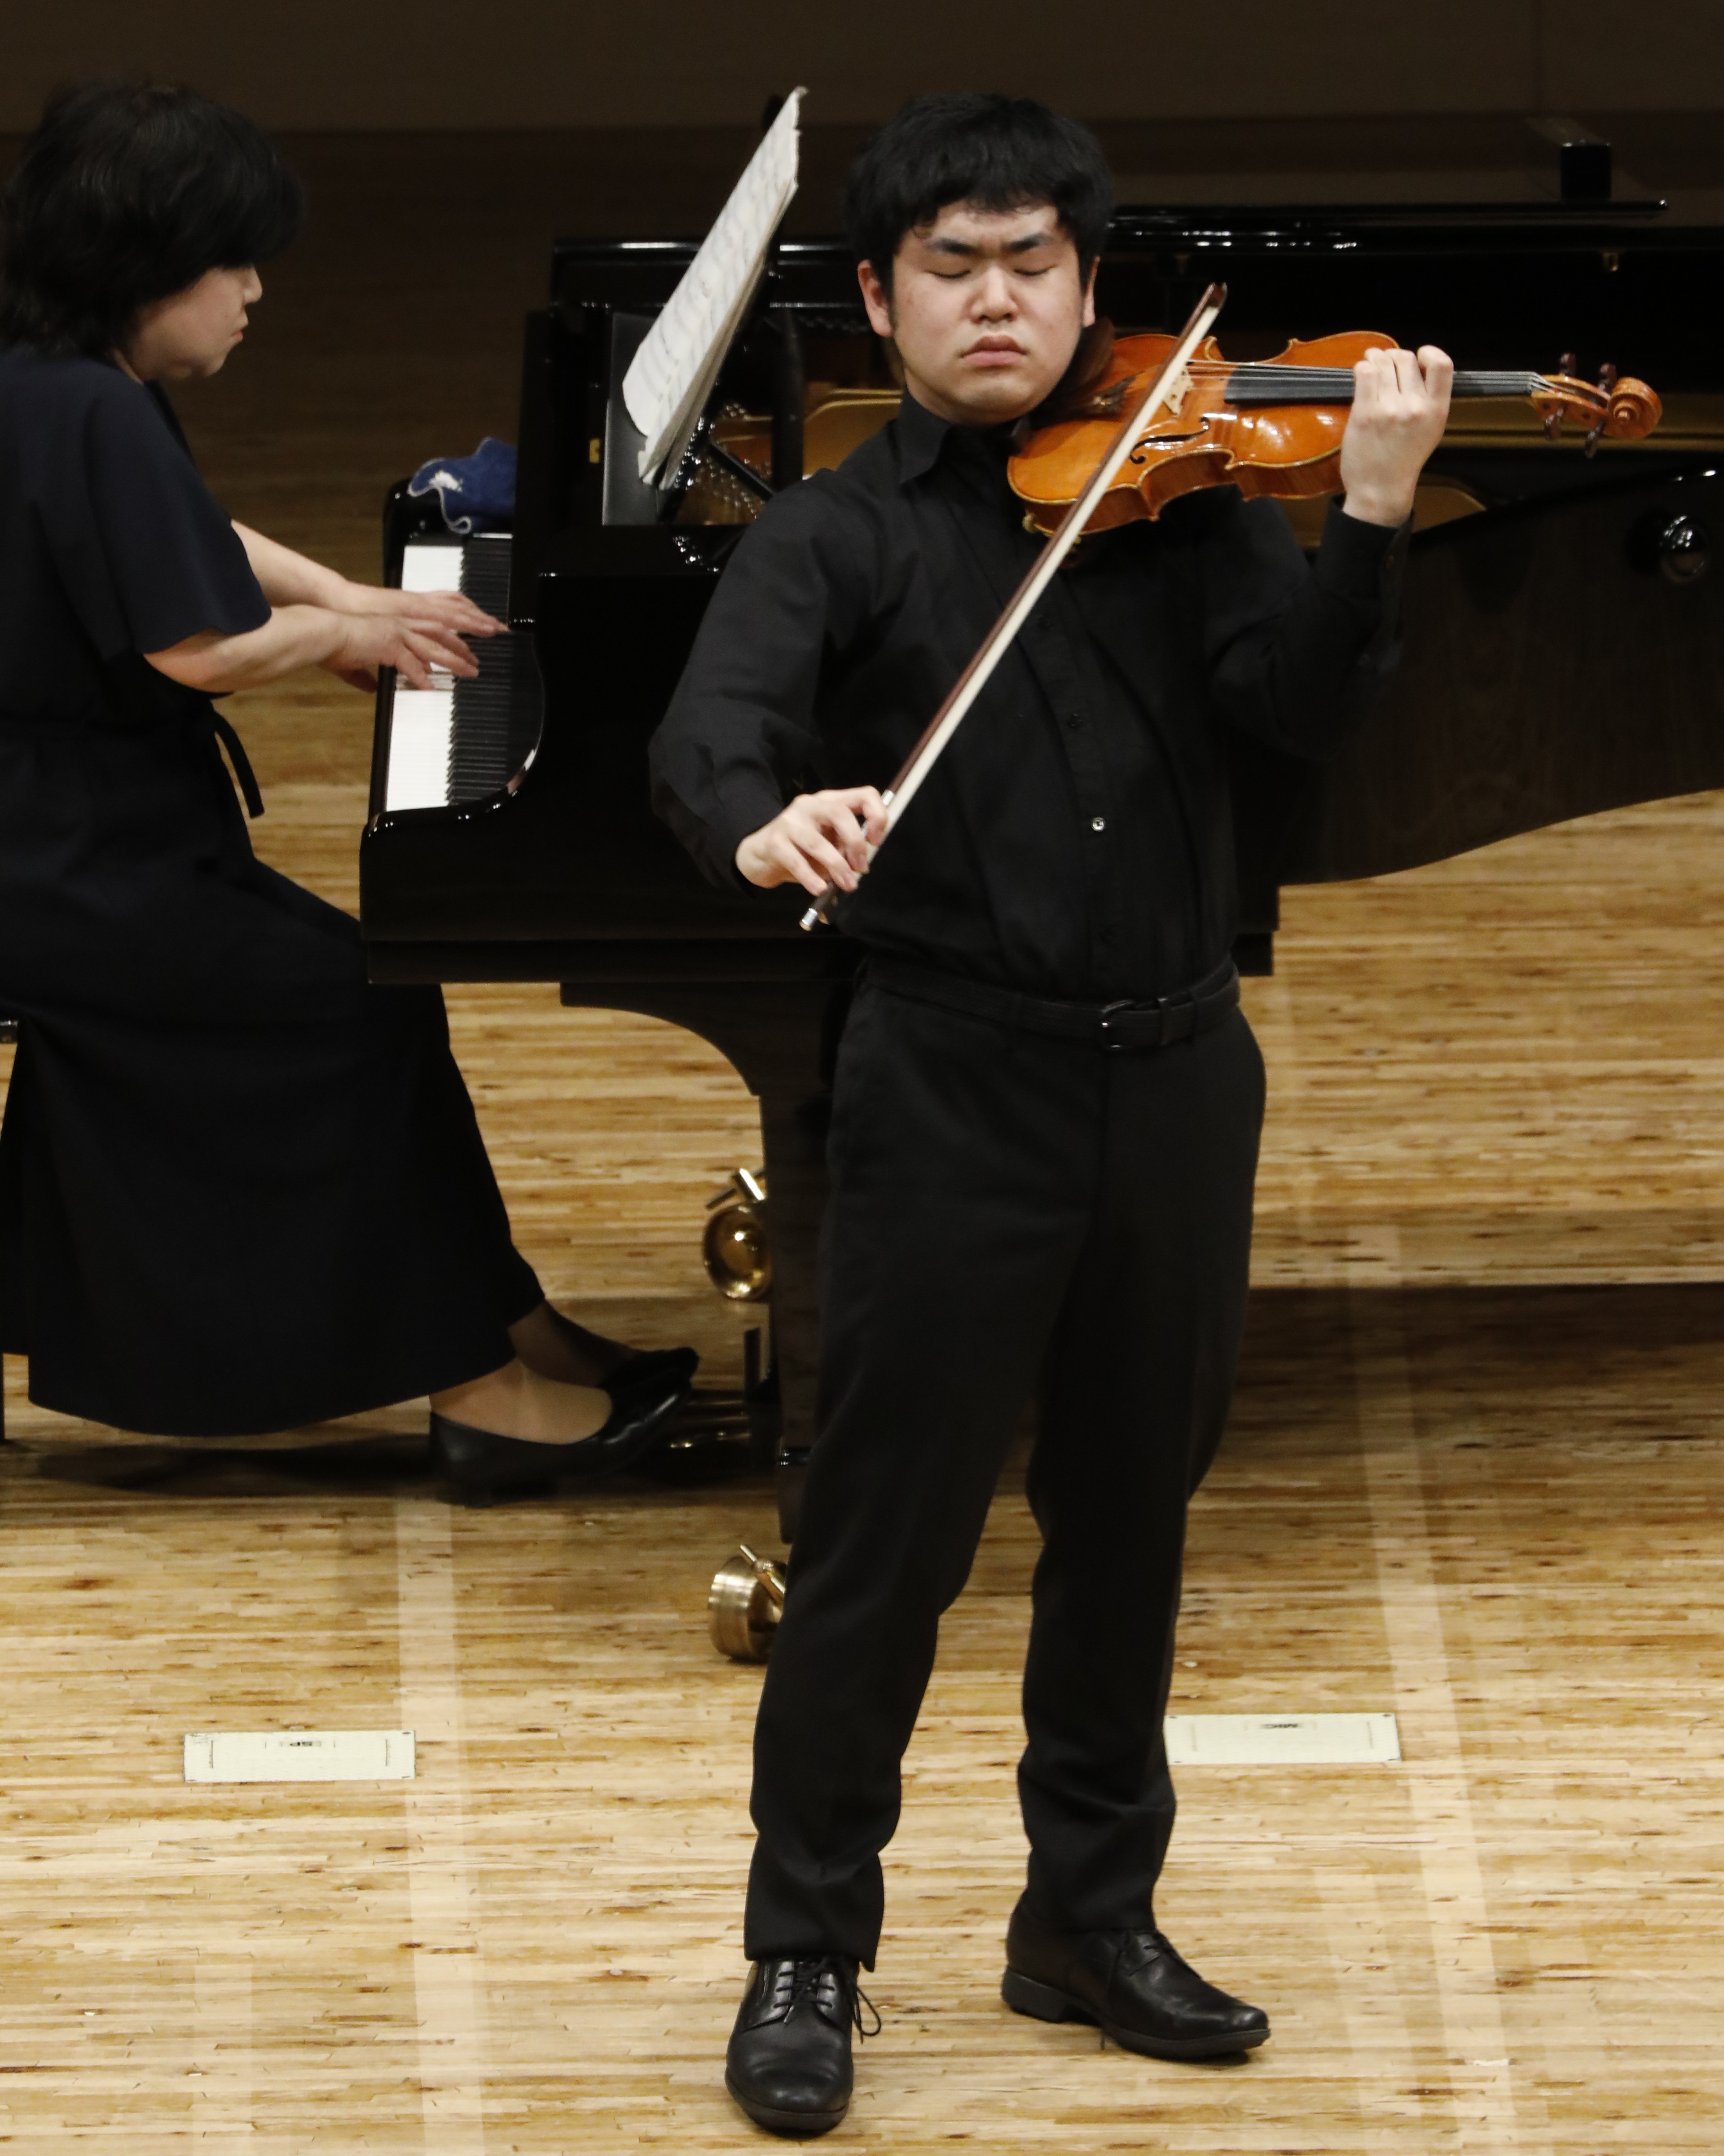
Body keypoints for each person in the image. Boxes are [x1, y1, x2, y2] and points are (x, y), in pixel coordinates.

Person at [650, 93, 1451, 2136]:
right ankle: (806, 1950)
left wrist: (1366, 514)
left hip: (1179, 1081)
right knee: (880, 1550)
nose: (995, 299)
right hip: (953, 1084)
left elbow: (1299, 720)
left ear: (1094, 293)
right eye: (952, 266)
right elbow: (710, 736)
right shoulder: (839, 531)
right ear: (881, 301)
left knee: (1129, 1530)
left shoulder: (1191, 506)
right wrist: (771, 823)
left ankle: (1089, 1918)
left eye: (1032, 263)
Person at [0, 80, 695, 1501]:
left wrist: (343, 594)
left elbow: (189, 533)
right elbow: (193, 651)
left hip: (74, 832)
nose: (256, 291)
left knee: (373, 986)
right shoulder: (87, 411)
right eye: (232, 263)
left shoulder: (54, 375)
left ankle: (507, 1323)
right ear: (146, 269)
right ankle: (481, 1389)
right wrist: (338, 636)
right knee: (344, 999)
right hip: (58, 863)